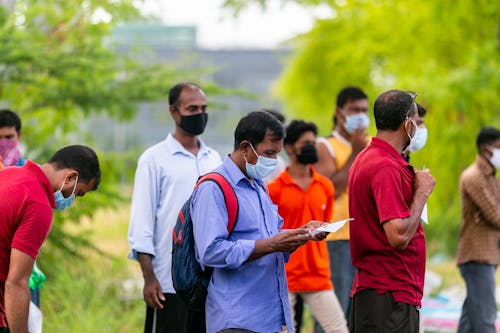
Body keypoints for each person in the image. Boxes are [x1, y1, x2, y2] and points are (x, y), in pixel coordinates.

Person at [190, 111, 328, 333]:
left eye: (277, 154)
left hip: (269, 316)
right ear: (245, 148)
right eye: (268, 153)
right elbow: (211, 251)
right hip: (237, 319)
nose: (273, 161)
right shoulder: (214, 188)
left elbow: (270, 236)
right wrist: (273, 244)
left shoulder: (258, 185)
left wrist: (302, 233)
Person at [127, 82, 222, 333]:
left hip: (209, 282)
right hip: (168, 283)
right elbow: (142, 223)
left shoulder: (214, 159)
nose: (200, 114)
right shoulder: (154, 159)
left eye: (203, 108)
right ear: (173, 111)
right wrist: (149, 278)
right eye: (192, 108)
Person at [348, 90, 436, 333]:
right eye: (417, 122)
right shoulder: (385, 166)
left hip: (382, 292)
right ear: (407, 124)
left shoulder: (369, 157)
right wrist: (422, 193)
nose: (418, 129)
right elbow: (397, 236)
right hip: (389, 293)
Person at [0, 144, 101, 333]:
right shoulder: (38, 204)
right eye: (78, 193)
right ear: (70, 177)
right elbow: (17, 283)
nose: (73, 200)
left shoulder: (8, 174)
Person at [268, 119, 348, 333]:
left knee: (338, 329)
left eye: (313, 142)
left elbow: (325, 222)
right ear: (289, 147)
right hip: (285, 275)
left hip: (317, 273)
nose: (312, 147)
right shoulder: (274, 189)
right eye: (306, 143)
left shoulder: (325, 186)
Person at [314, 87, 370, 325]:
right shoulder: (325, 146)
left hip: (364, 238)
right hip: (337, 238)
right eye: (354, 110)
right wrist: (356, 152)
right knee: (334, 309)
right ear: (339, 113)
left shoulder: (370, 145)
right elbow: (330, 189)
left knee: (357, 311)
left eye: (364, 111)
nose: (360, 116)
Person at [0, 109, 45, 312]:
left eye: (8, 137)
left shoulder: (28, 171)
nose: (3, 143)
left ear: (19, 135)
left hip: (21, 259)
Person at [456, 126, 500, 333]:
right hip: (476, 256)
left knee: (471, 318)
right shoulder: (473, 177)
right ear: (486, 149)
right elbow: (496, 215)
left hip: (488, 255)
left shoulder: (491, 177)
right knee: (485, 318)